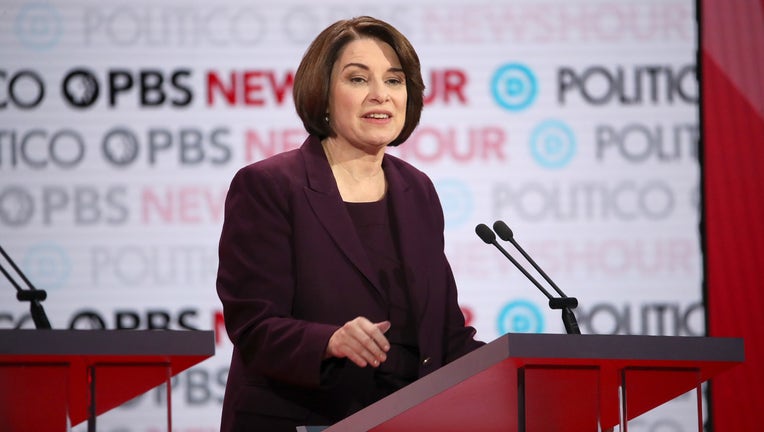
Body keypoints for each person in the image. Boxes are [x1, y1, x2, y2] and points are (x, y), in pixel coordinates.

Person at [216, 16, 484, 432]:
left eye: (394, 81)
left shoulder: (418, 190)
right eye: (358, 80)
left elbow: (443, 335)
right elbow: (254, 326)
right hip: (305, 419)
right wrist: (329, 341)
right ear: (322, 94)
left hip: (410, 419)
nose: (381, 95)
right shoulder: (269, 186)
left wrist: (531, 369)